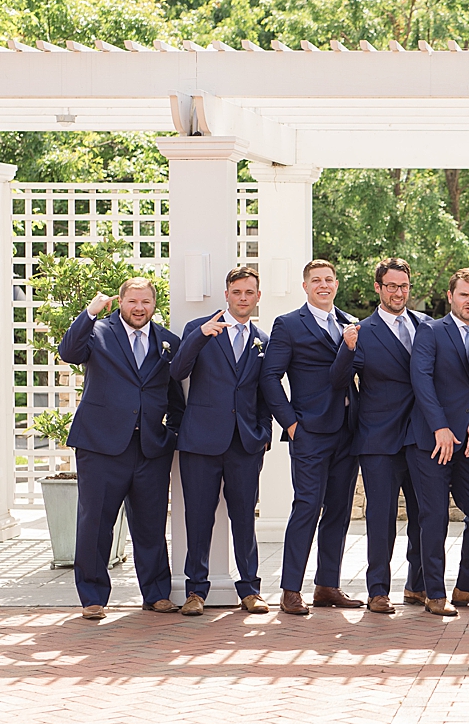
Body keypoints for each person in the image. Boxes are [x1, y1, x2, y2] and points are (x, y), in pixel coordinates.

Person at [57, 278, 185, 620]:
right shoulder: (98, 332)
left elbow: (175, 399)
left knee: (151, 524)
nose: (139, 308)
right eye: (132, 301)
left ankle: (156, 593)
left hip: (149, 449)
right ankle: (93, 597)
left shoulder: (169, 343)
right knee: (96, 523)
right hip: (100, 446)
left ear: (154, 304)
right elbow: (68, 353)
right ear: (121, 301)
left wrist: (169, 435)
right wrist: (90, 311)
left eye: (145, 302)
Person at [260, 260, 364, 617]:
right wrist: (291, 424)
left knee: (338, 510)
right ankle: (291, 589)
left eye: (329, 280)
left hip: (349, 431)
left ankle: (327, 586)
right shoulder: (288, 324)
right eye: (316, 280)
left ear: (337, 284)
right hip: (309, 433)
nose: (323, 285)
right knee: (307, 507)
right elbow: (270, 378)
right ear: (305, 286)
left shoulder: (350, 323)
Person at [169, 267, 275, 616]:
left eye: (249, 292)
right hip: (201, 441)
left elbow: (265, 391)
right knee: (198, 518)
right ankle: (195, 592)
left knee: (245, 518)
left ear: (257, 297)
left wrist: (263, 435)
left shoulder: (263, 339)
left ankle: (250, 590)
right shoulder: (199, 329)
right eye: (237, 292)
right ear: (226, 295)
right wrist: (200, 335)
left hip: (245, 443)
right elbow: (177, 371)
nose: (243, 298)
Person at [337, 258, 429, 615]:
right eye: (391, 286)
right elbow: (337, 380)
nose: (398, 292)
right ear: (378, 288)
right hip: (378, 439)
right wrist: (347, 348)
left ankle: (417, 585)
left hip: (420, 436)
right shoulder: (362, 331)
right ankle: (378, 590)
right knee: (381, 518)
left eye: (403, 285)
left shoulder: (426, 325)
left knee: (426, 514)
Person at [407, 269, 469, 616]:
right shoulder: (430, 331)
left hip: (468, 443)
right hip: (431, 440)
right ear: (450, 296)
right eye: (464, 295)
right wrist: (440, 427)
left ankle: (468, 587)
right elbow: (421, 379)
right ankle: (434, 592)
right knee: (434, 516)